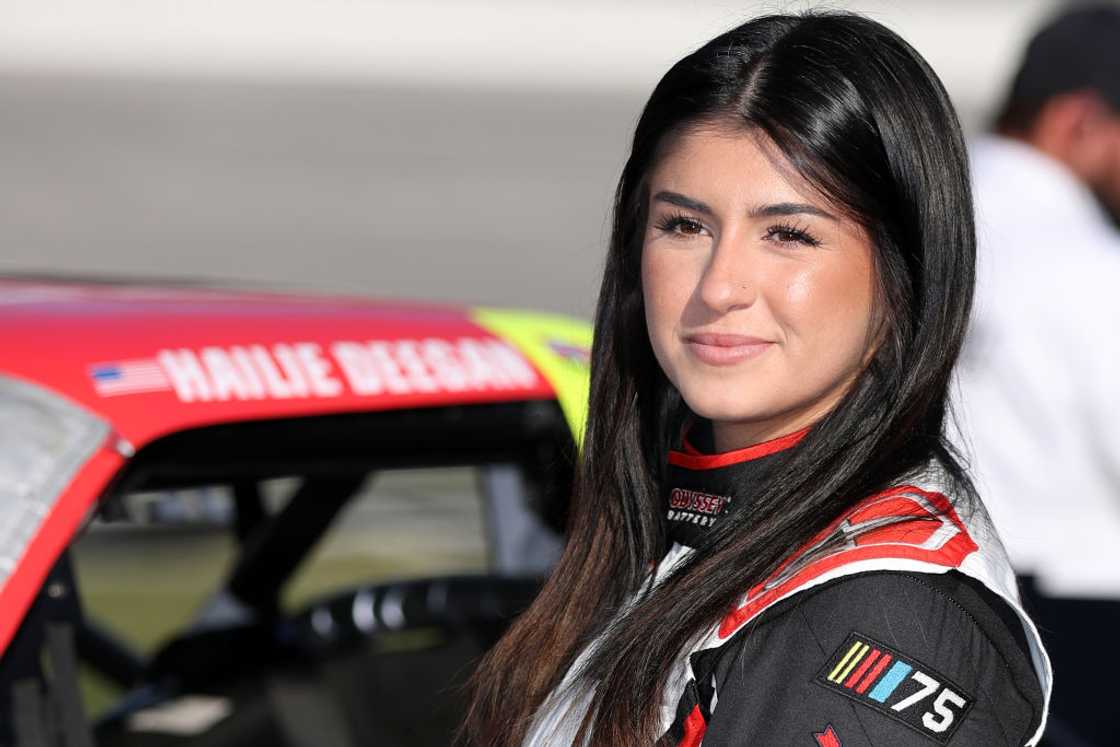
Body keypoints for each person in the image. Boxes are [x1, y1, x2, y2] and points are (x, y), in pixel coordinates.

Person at [461, 11, 1051, 746]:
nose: (719, 286)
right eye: (684, 225)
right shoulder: (660, 520)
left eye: (788, 234)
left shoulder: (884, 614)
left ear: (905, 277)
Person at [952, 5, 1120, 743]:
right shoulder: (1088, 264)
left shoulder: (908, 221)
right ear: (1080, 119)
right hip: (1083, 634)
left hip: (920, 594)